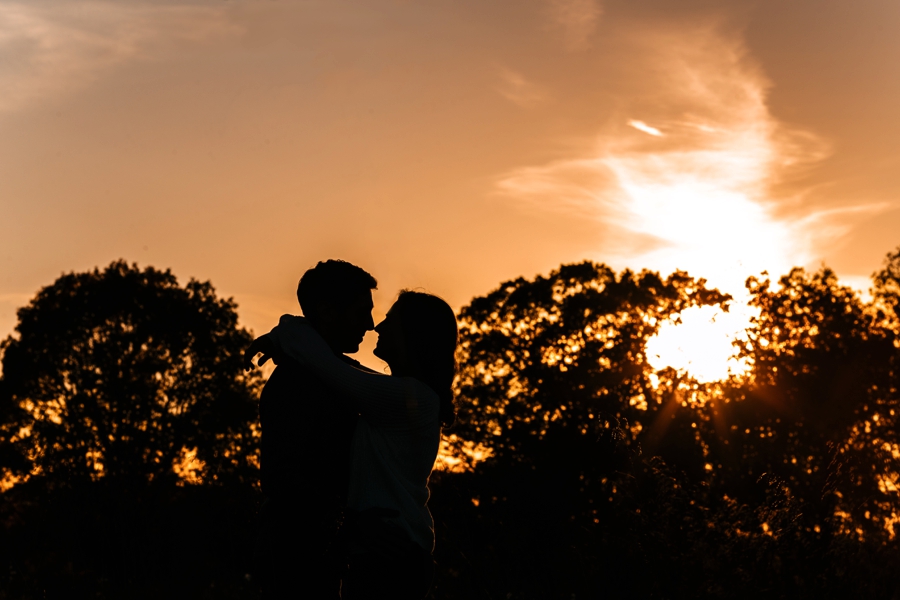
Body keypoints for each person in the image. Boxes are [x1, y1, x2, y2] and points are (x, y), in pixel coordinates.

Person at [248, 290, 458, 599]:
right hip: (385, 551)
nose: (378, 327)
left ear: (413, 334)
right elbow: (337, 366)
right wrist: (283, 336)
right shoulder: (402, 394)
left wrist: (280, 336)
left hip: (390, 552)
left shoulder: (413, 399)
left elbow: (326, 365)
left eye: (391, 319)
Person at [254, 260, 377, 599]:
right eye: (360, 312)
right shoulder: (300, 382)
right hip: (299, 545)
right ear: (326, 311)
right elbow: (282, 476)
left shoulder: (329, 375)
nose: (369, 324)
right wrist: (334, 529)